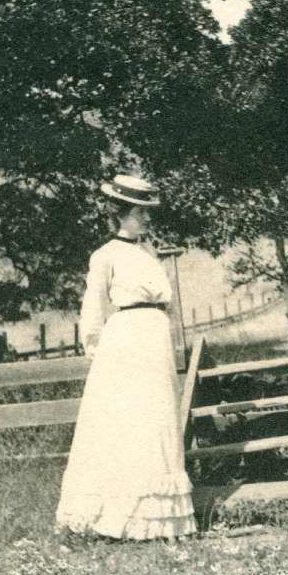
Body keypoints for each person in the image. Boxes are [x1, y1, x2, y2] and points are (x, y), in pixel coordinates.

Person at [54, 174, 197, 541]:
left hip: (155, 338)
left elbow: (164, 300)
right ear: (121, 213)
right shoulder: (104, 256)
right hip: (126, 341)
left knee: (157, 419)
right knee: (127, 423)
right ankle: (115, 518)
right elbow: (92, 310)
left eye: (149, 212)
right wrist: (99, 352)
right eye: (140, 212)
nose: (147, 218)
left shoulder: (149, 252)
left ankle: (157, 520)